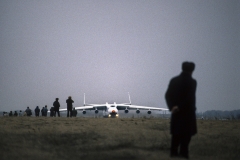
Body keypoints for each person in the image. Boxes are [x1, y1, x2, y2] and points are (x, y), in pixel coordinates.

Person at [165, 62, 197, 159]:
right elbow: (189, 98)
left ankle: (173, 154)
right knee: (186, 138)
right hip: (187, 114)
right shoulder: (192, 82)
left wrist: (172, 107)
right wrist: (180, 107)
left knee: (175, 136)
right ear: (192, 70)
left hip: (176, 113)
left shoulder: (174, 80)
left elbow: (167, 95)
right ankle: (183, 154)